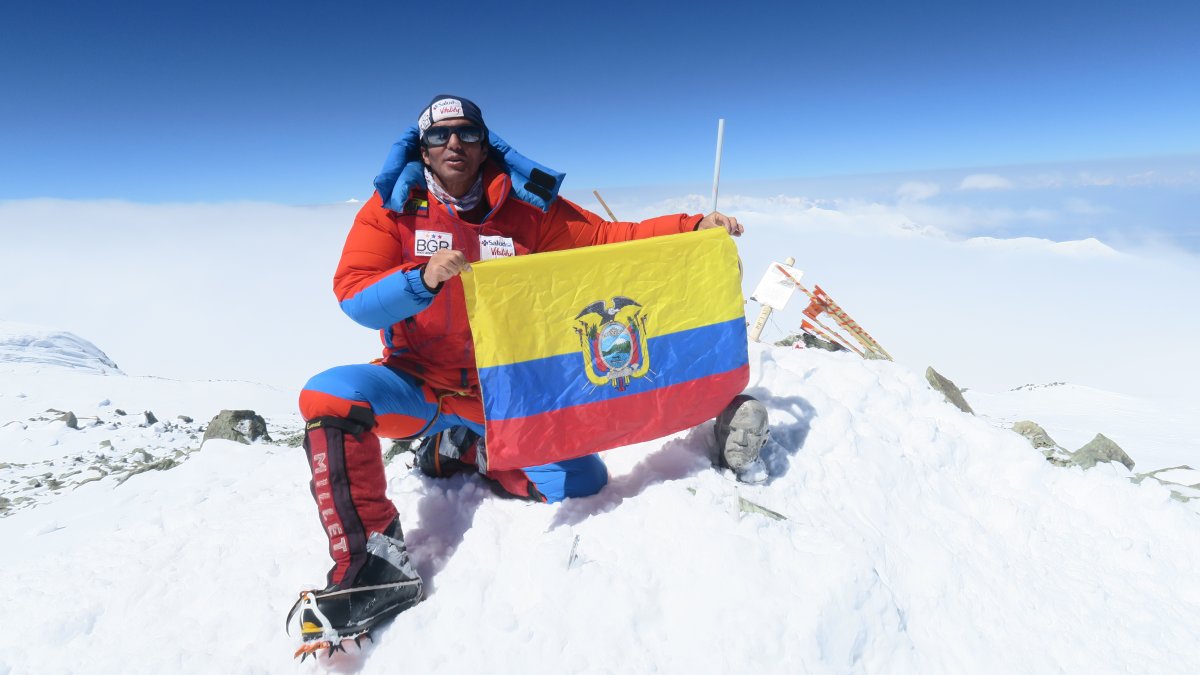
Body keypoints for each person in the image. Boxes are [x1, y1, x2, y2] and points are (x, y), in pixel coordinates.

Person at [288, 95, 770, 650]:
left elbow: (605, 241)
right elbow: (355, 297)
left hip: (505, 393)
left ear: (484, 143)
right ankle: (372, 562)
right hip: (416, 382)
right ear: (420, 149)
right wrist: (421, 279)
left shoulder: (525, 208)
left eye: (467, 135)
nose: (453, 145)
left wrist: (691, 227)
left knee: (585, 482)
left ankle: (464, 452)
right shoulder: (392, 209)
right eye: (439, 137)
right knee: (329, 396)